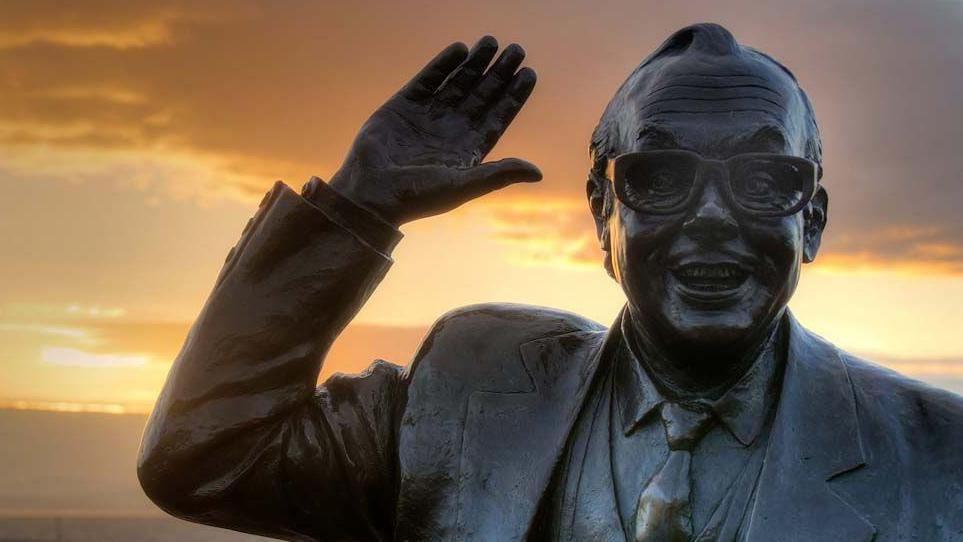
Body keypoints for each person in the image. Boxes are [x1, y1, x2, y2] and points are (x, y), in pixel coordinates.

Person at [138, 23, 963, 541]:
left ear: (810, 221)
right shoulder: (467, 386)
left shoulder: (938, 454)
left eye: (761, 180)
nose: (712, 216)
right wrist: (352, 210)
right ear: (601, 212)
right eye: (660, 176)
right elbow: (205, 458)